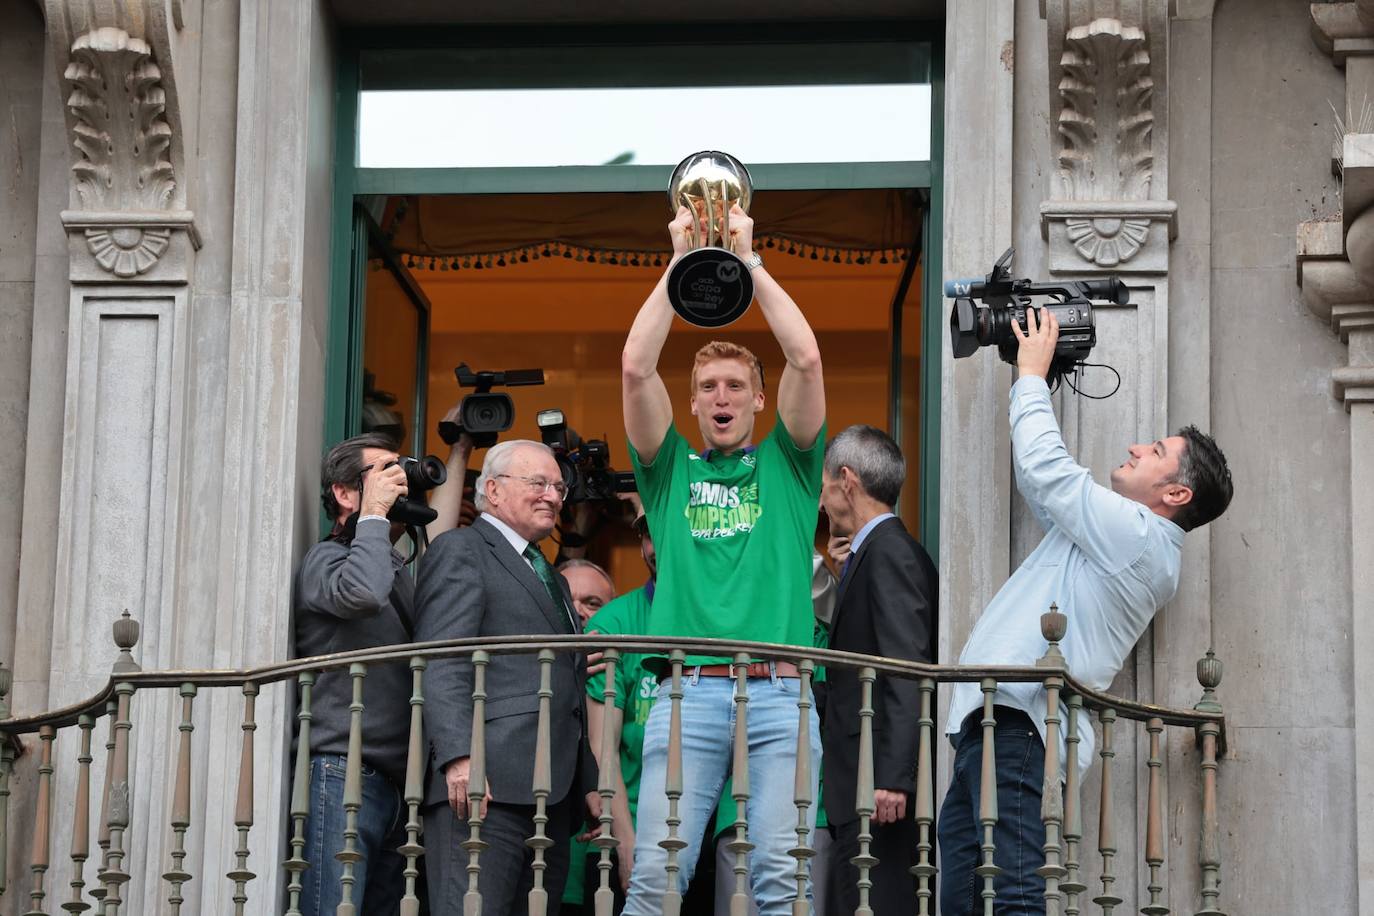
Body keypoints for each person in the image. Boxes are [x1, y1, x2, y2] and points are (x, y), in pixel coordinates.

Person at [937, 310, 1234, 915]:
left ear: (1175, 495)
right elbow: (1044, 485)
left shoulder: (1140, 537)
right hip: (998, 725)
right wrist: (1037, 381)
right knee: (968, 894)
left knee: (1012, 890)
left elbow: (1048, 474)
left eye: (1153, 451)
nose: (1133, 447)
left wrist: (1030, 374)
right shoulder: (1115, 537)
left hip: (1020, 728)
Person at [620, 202, 826, 915]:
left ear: (760, 401)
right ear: (694, 404)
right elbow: (634, 365)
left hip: (779, 694)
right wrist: (680, 263)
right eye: (708, 387)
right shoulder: (668, 468)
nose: (721, 395)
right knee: (654, 881)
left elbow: (805, 357)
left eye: (736, 385)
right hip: (688, 696)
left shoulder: (792, 468)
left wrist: (750, 263)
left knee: (779, 883)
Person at [415, 440, 600, 914]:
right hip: (483, 786)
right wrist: (459, 756)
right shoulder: (462, 549)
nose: (553, 496)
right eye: (538, 483)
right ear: (492, 491)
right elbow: (442, 656)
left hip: (550, 794)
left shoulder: (552, 577)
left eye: (558, 486)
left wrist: (588, 782)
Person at [293, 431, 461, 915]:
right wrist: (372, 516)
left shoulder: (392, 568)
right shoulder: (327, 559)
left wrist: (461, 448)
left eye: (399, 469)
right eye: (382, 471)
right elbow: (362, 594)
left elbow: (435, 563)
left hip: (396, 786)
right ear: (345, 494)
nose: (396, 479)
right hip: (341, 773)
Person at [817, 425, 936, 914]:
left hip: (878, 787)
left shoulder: (888, 552)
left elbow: (905, 664)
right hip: (863, 780)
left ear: (847, 480)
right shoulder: (877, 552)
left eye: (823, 487)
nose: (822, 503)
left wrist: (891, 776)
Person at [556, 557, 618, 914]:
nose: (578, 611)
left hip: (607, 862)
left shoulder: (622, 671)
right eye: (567, 600)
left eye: (592, 603)